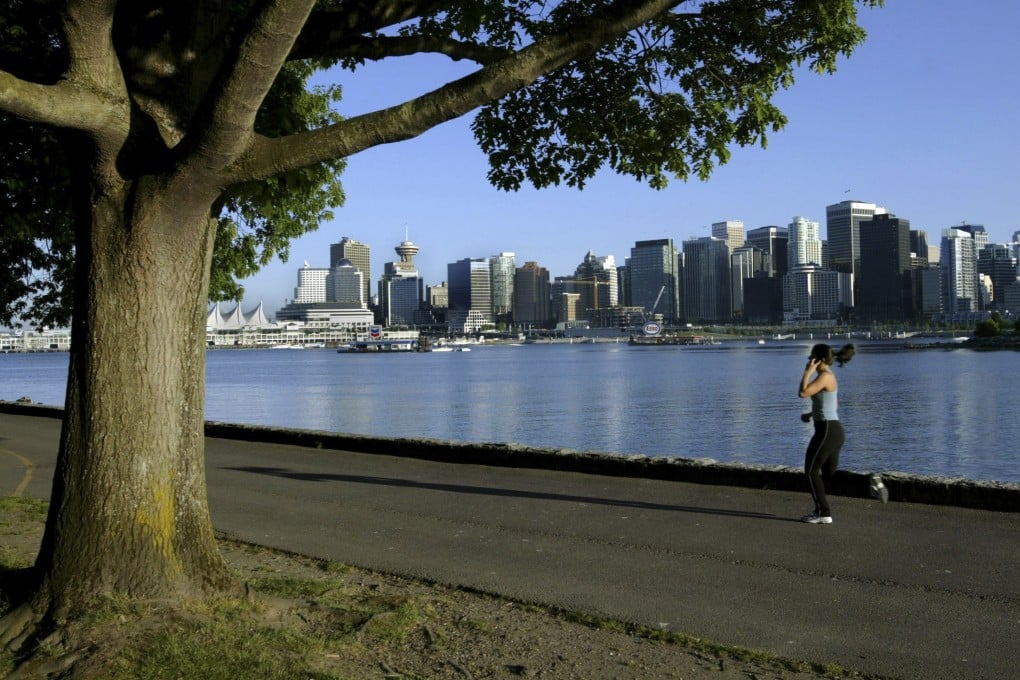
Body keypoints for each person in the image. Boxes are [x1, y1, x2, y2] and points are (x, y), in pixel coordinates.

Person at [797, 343, 855, 524]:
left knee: (811, 472)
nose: (808, 360)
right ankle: (869, 482)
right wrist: (811, 414)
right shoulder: (829, 377)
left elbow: (803, 393)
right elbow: (834, 405)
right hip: (834, 430)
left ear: (819, 360)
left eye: (811, 357)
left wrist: (807, 372)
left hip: (827, 431)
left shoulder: (824, 376)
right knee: (830, 475)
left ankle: (823, 513)